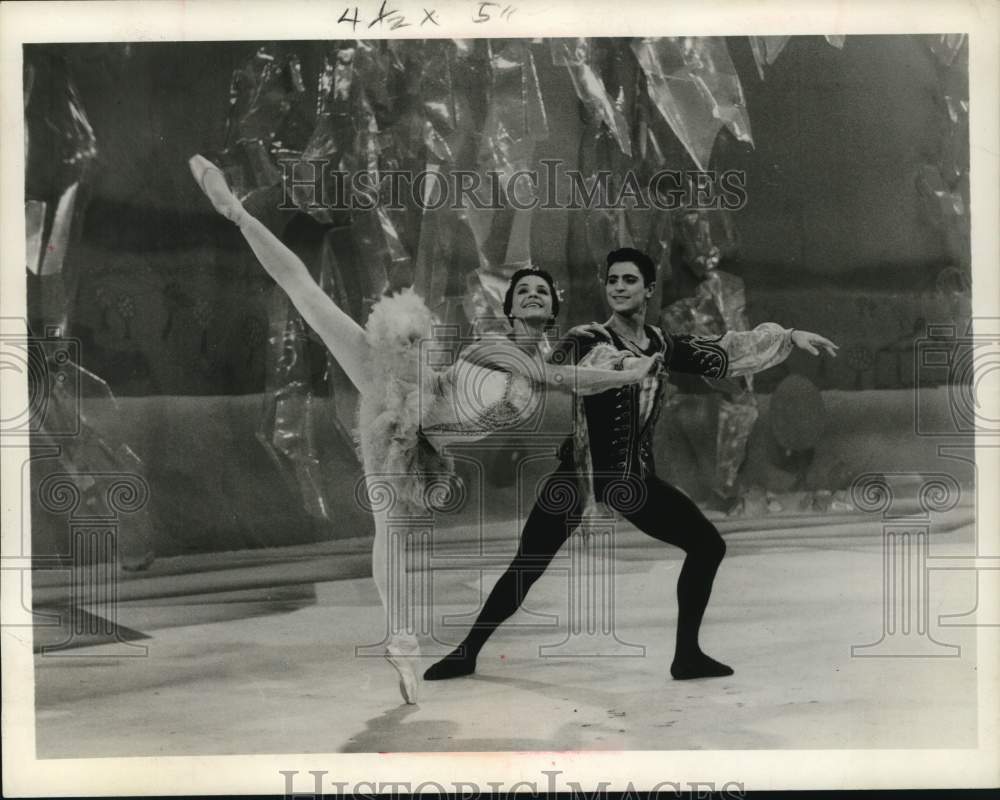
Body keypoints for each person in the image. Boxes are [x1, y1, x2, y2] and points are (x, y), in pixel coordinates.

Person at [188, 155, 656, 704]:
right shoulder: (499, 349)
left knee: (394, 525)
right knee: (310, 300)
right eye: (524, 291)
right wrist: (622, 373)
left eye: (542, 292)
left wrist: (626, 371)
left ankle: (401, 639)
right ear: (509, 309)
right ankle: (237, 213)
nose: (533, 294)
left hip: (429, 440)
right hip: (404, 398)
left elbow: (573, 368)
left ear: (554, 308)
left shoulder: (549, 355)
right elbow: (565, 373)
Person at [424, 247, 838, 682]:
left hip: (632, 482)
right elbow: (567, 369)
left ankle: (687, 656)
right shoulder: (587, 337)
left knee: (707, 545)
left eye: (629, 280)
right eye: (612, 281)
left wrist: (788, 337)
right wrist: (624, 366)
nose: (618, 288)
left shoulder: (661, 344)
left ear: (648, 289)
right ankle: (466, 653)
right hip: (579, 477)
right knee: (528, 564)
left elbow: (723, 351)